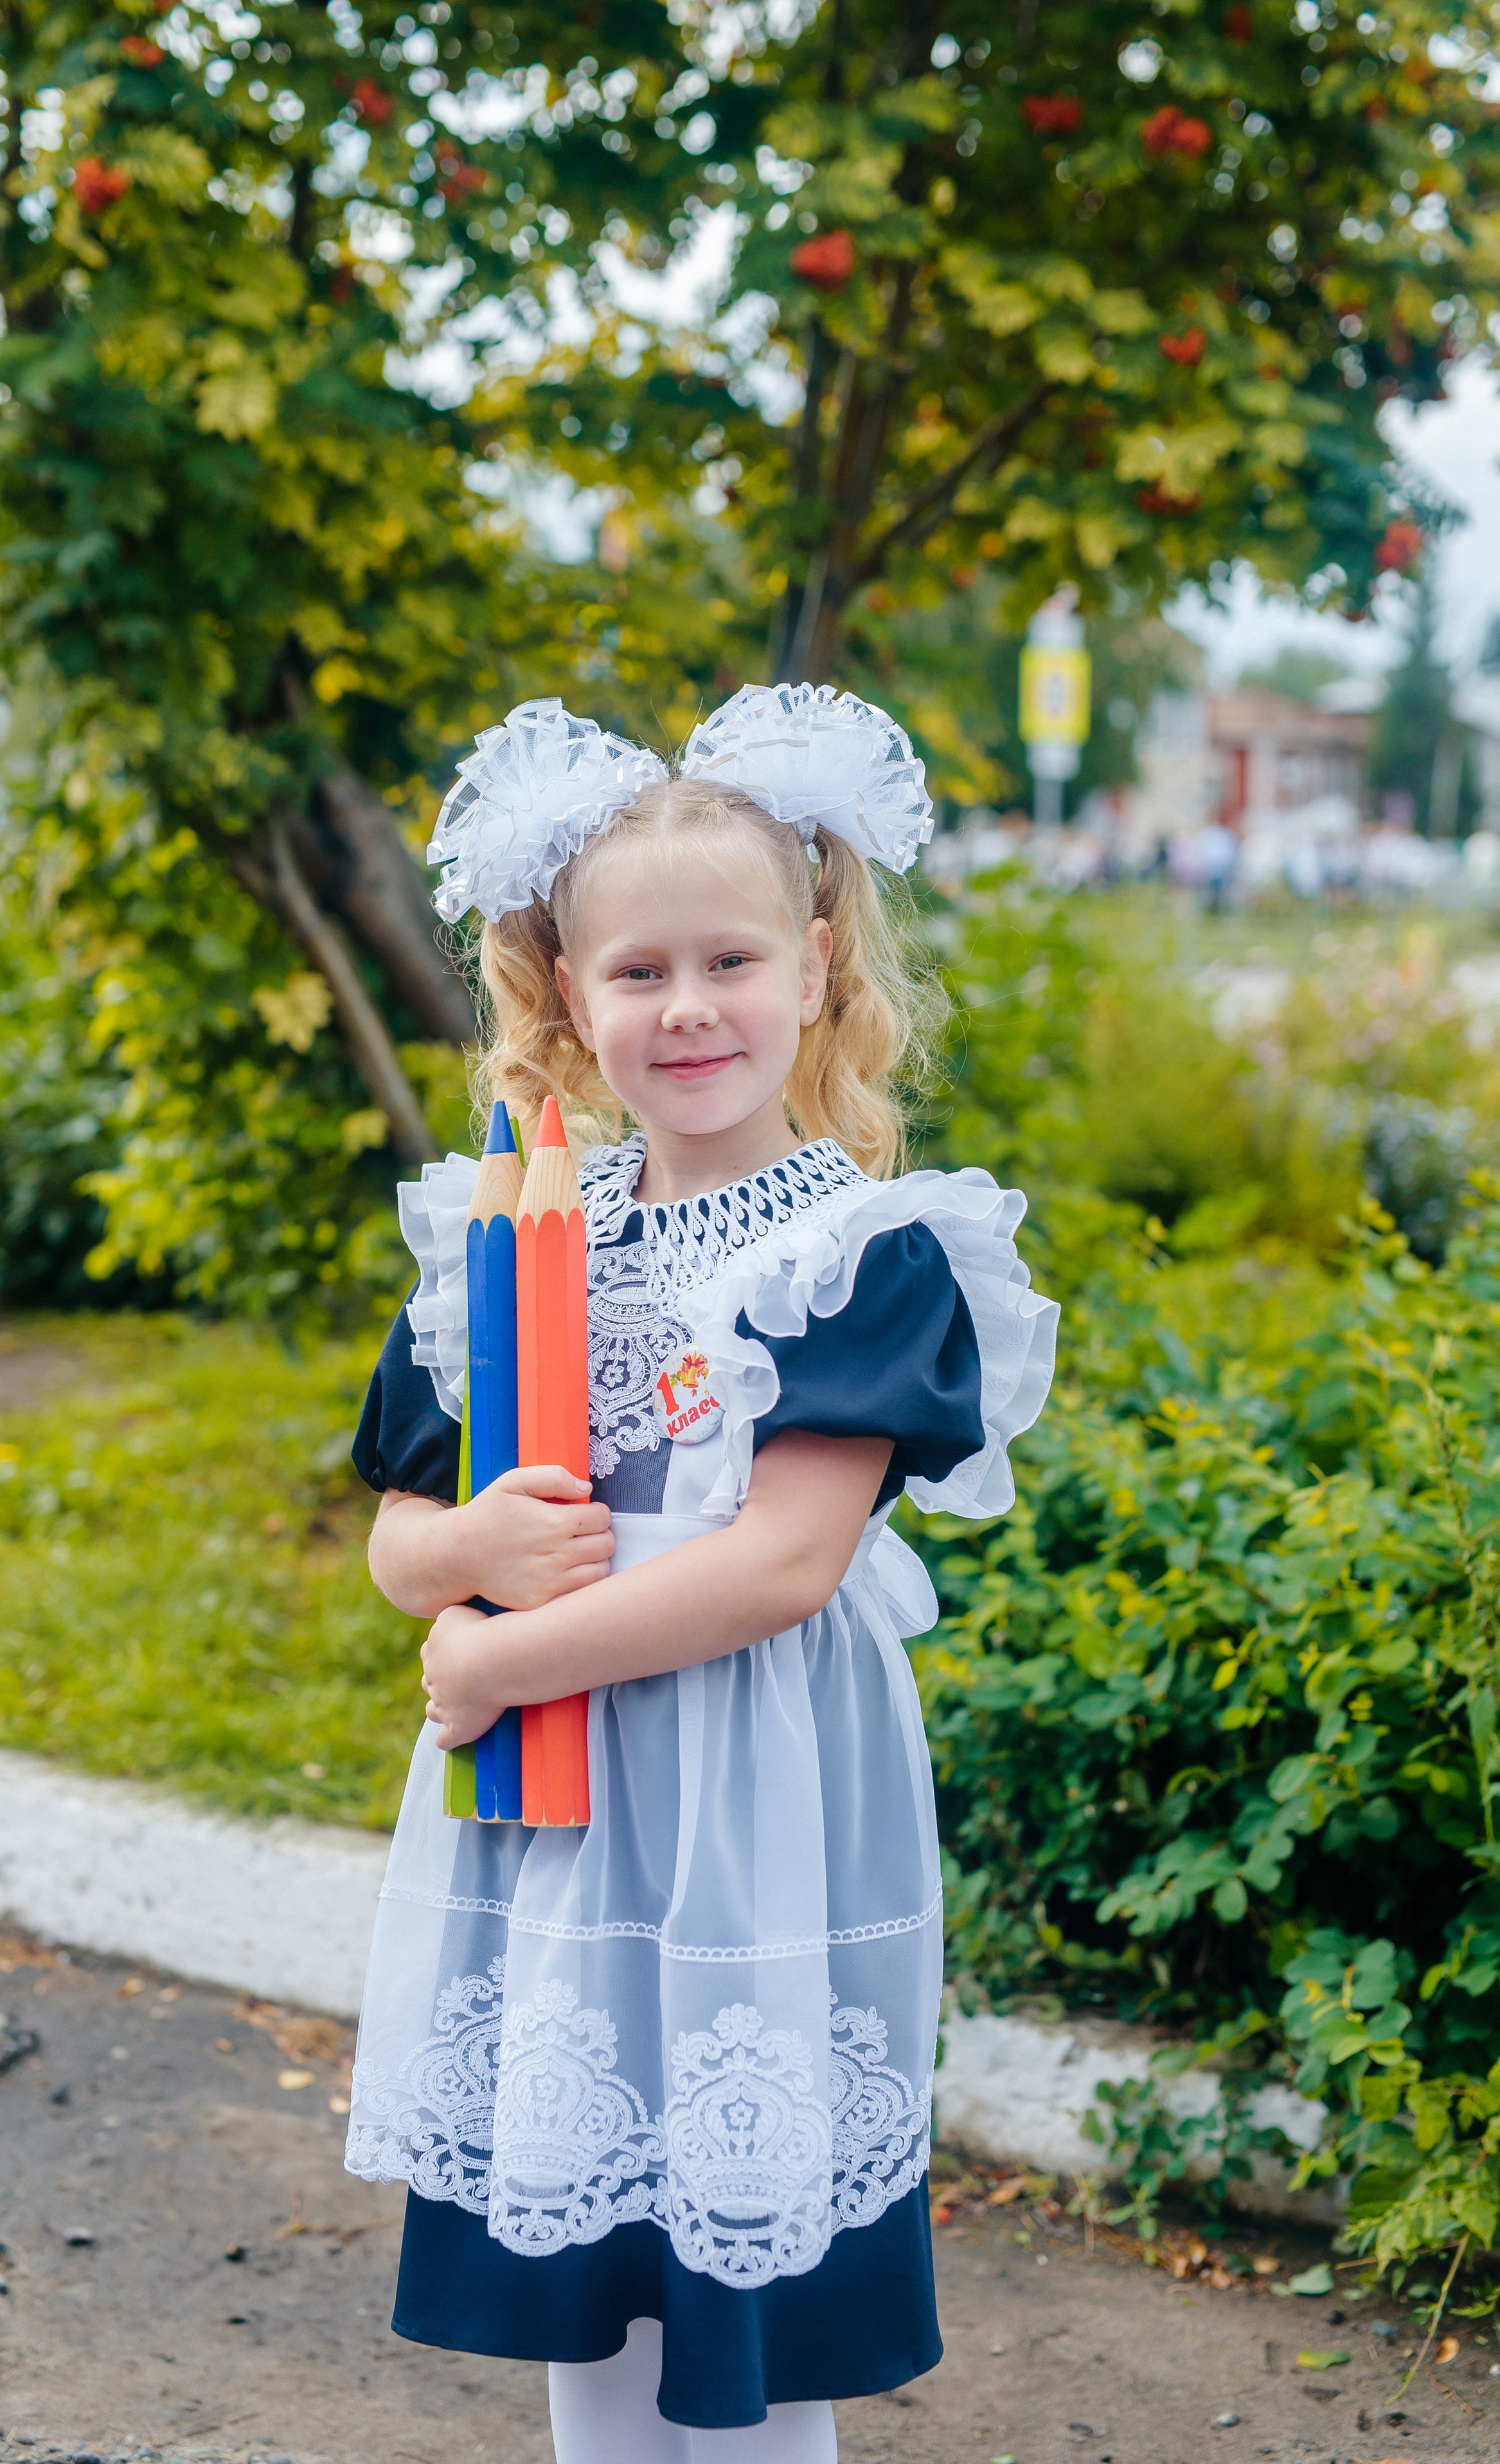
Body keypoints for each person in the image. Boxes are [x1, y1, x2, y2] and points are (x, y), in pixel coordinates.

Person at [344, 686, 1058, 2460]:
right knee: (589, 2272)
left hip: (753, 1814)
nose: (688, 1007)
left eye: (729, 961)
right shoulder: (513, 1243)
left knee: (741, 2318)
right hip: (565, 1835)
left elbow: (781, 1566)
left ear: (816, 972)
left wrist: (511, 1652)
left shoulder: (861, 1253)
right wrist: (466, 1553)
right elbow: (394, 1529)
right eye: (639, 971)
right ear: (568, 1000)